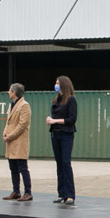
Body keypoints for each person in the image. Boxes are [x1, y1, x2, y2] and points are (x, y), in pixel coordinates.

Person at [47, 76, 78, 205]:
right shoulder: (55, 100)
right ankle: (61, 193)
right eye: (55, 83)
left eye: (58, 83)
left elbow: (72, 119)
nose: (56, 85)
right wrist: (50, 120)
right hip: (55, 134)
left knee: (66, 163)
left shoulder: (71, 100)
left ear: (64, 85)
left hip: (66, 135)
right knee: (59, 164)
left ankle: (70, 194)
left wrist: (55, 121)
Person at [2, 83, 33, 201]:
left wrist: (10, 136)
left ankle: (28, 192)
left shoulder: (24, 106)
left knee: (22, 167)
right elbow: (8, 122)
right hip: (10, 141)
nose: (8, 92)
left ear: (14, 92)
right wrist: (5, 133)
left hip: (19, 141)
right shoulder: (12, 105)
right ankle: (16, 191)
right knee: (13, 167)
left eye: (9, 90)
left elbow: (22, 125)